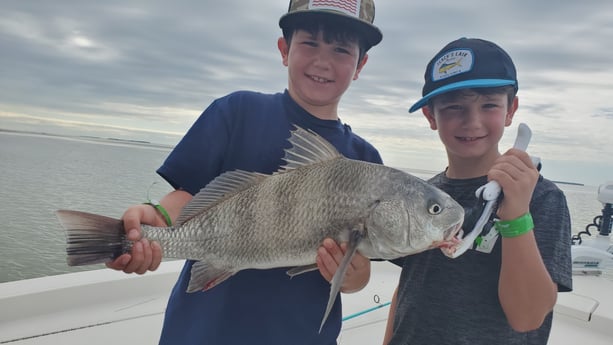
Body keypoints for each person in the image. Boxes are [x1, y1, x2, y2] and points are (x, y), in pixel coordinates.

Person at [106, 0, 384, 344]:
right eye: (310, 42)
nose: (323, 60)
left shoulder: (365, 162)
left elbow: (356, 275)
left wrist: (355, 277)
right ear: (284, 49)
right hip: (201, 332)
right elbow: (186, 196)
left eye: (342, 49)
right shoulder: (236, 111)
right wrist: (158, 219)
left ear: (361, 65)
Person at [383, 37, 573, 345]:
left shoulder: (541, 198)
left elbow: (527, 316)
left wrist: (515, 214)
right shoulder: (422, 195)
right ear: (431, 116)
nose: (472, 122)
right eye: (454, 107)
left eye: (489, 105)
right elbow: (409, 287)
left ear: (511, 110)